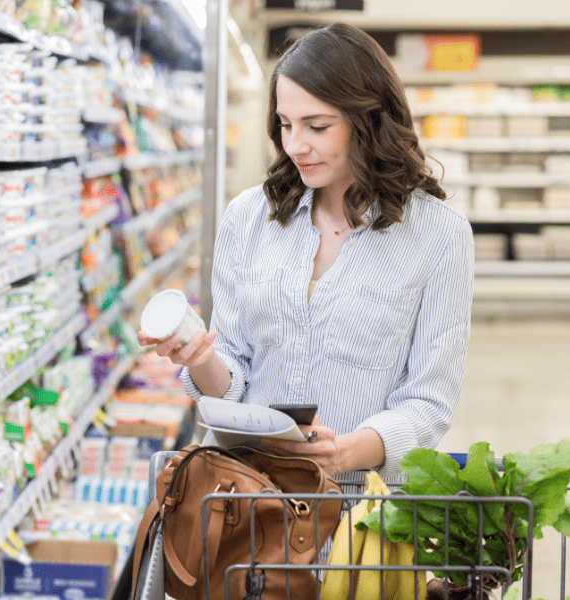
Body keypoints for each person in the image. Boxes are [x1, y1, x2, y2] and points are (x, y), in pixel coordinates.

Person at [138, 23, 474, 480]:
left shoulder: (438, 235)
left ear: (368, 120)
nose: (296, 146)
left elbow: (428, 402)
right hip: (248, 504)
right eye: (285, 124)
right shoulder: (249, 218)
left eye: (317, 126)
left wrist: (348, 452)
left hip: (359, 513)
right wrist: (201, 361)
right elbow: (231, 378)